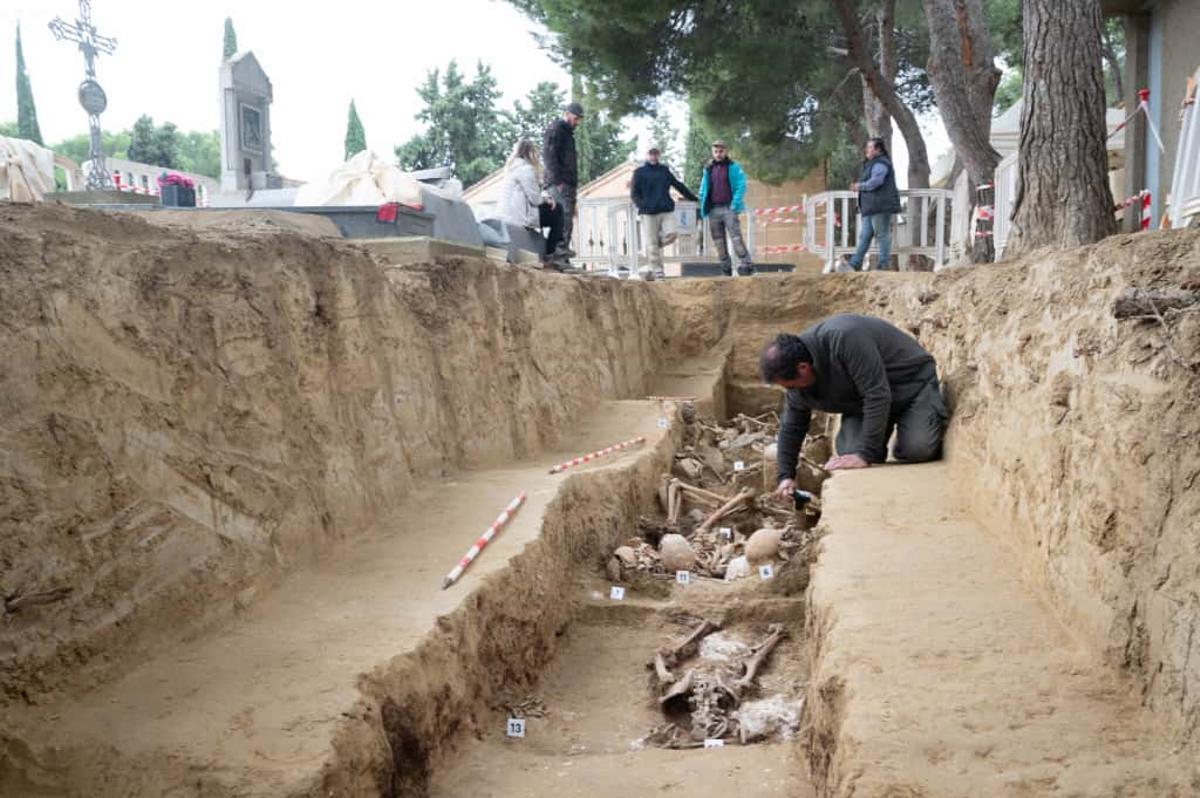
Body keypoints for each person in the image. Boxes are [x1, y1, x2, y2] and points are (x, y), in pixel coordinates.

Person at [758, 314, 947, 499]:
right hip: (865, 402)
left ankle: (911, 425)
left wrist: (865, 454)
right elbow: (792, 426)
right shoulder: (796, 376)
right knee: (850, 451)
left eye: (790, 385)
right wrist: (786, 476)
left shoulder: (844, 338)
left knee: (917, 449)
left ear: (803, 368)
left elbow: (877, 394)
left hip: (910, 386)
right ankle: (882, 431)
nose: (791, 391)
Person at [631, 146, 698, 280]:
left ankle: (657, 248)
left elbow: (677, 185)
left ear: (659, 155)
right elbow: (634, 193)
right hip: (648, 213)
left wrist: (693, 198)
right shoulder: (639, 172)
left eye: (656, 153)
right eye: (651, 153)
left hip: (666, 209)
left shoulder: (664, 170)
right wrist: (642, 205)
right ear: (646, 155)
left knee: (672, 235)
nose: (653, 156)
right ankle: (657, 270)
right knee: (651, 243)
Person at [499, 139, 567, 270]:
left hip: (510, 214)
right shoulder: (526, 169)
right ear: (531, 153)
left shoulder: (512, 169)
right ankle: (551, 253)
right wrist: (547, 199)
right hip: (520, 216)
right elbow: (535, 199)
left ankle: (553, 250)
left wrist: (544, 196)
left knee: (553, 209)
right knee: (558, 210)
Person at [837, 137, 901, 272]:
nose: (866, 150)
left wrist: (859, 186)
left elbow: (876, 182)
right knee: (865, 236)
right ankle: (854, 264)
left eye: (870, 147)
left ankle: (883, 265)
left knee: (882, 234)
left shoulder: (880, 164)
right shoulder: (872, 164)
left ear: (878, 150)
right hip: (870, 207)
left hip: (879, 206)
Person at [698, 139, 754, 277]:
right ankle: (725, 267)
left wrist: (735, 204)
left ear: (726, 151)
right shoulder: (708, 169)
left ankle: (746, 265)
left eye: (721, 151)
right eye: (716, 151)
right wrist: (702, 200)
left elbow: (741, 185)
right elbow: (703, 187)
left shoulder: (733, 167)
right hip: (713, 209)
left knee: (736, 238)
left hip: (729, 207)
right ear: (712, 152)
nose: (718, 154)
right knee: (718, 241)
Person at [542, 102, 584, 263]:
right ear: (567, 114)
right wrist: (557, 180)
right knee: (563, 217)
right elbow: (549, 155)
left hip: (568, 183)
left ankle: (562, 256)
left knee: (567, 219)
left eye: (579, 119)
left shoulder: (567, 134)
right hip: (560, 183)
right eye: (575, 118)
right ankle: (557, 255)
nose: (577, 122)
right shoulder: (557, 129)